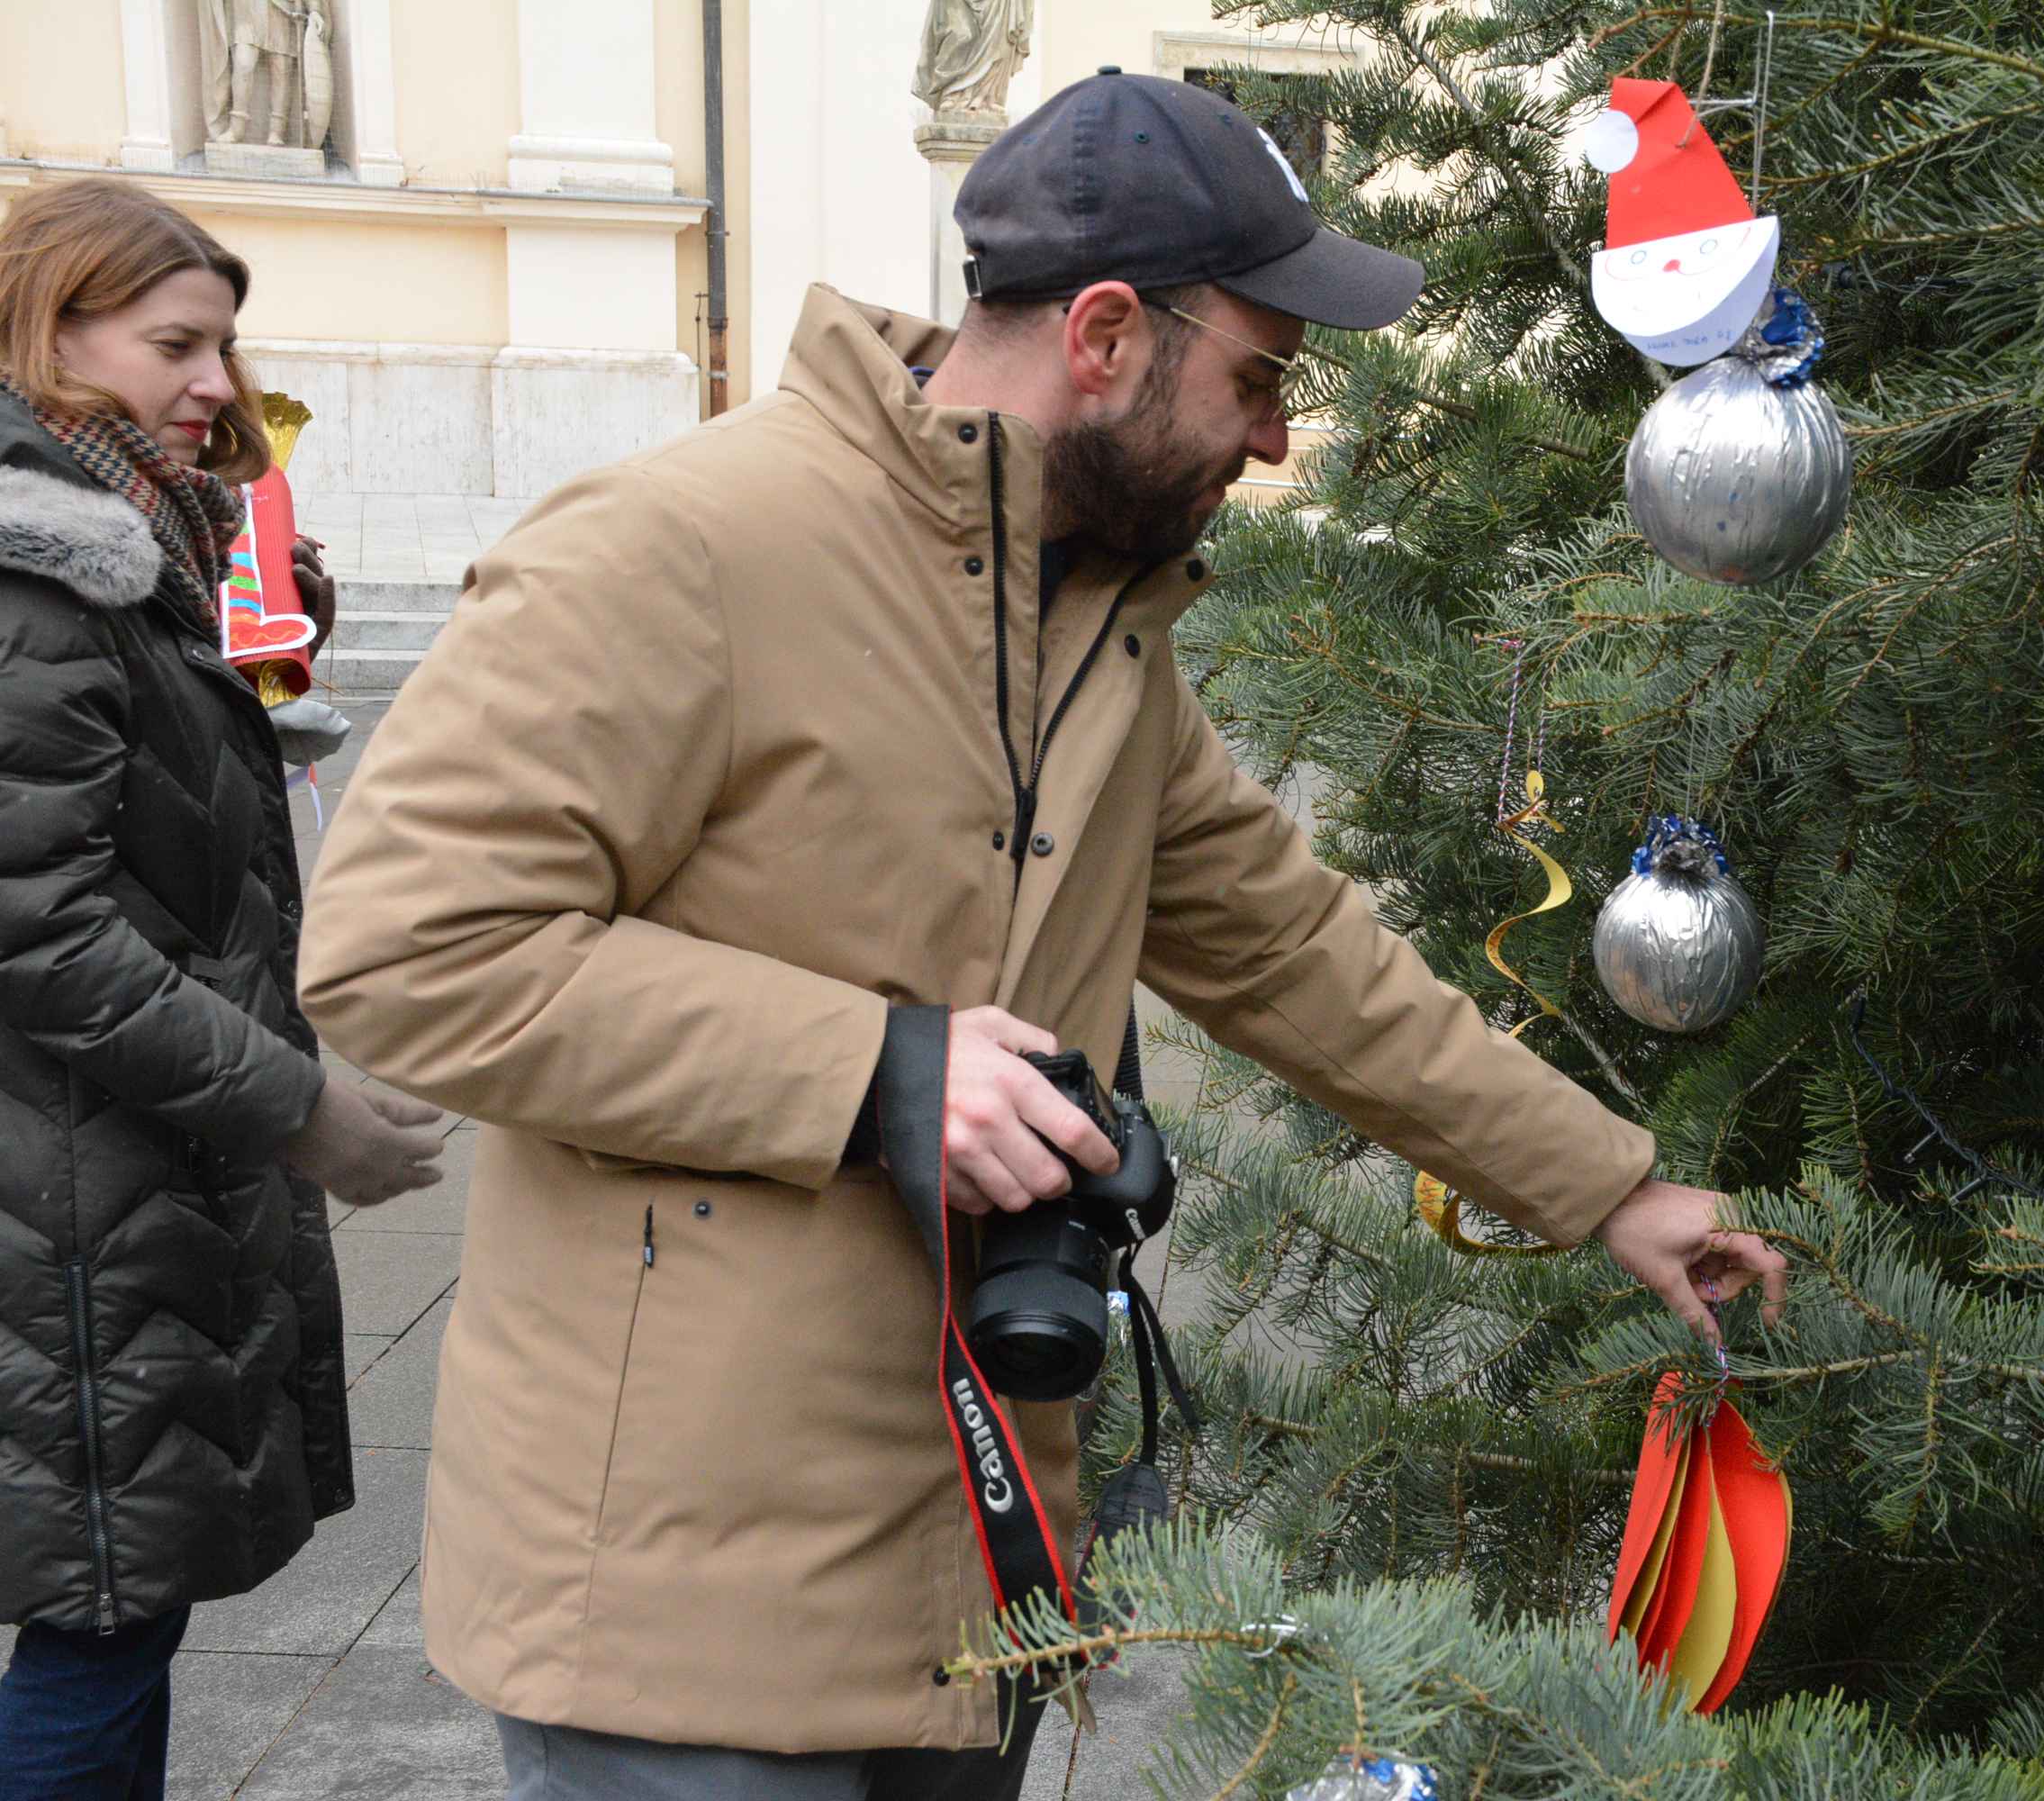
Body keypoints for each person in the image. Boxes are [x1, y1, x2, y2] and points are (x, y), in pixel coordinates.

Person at [296, 73, 1788, 1799]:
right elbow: (407, 946)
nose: (1274, 441)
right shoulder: (675, 547)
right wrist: (872, 1070)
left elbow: (1299, 955)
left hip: (976, 1572)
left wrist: (1608, 1186)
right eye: (1260, 378)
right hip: (672, 1614)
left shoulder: (1101, 623)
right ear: (1104, 335)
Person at [0, 176, 446, 1799]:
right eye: (176, 344)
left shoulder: (127, 547)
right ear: (50, 334)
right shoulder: (41, 574)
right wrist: (302, 1107)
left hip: (103, 1175)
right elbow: (38, 930)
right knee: (102, 1613)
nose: (216, 383)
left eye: (224, 347)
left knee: (118, 1601)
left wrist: (242, 619)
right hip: (67, 1193)